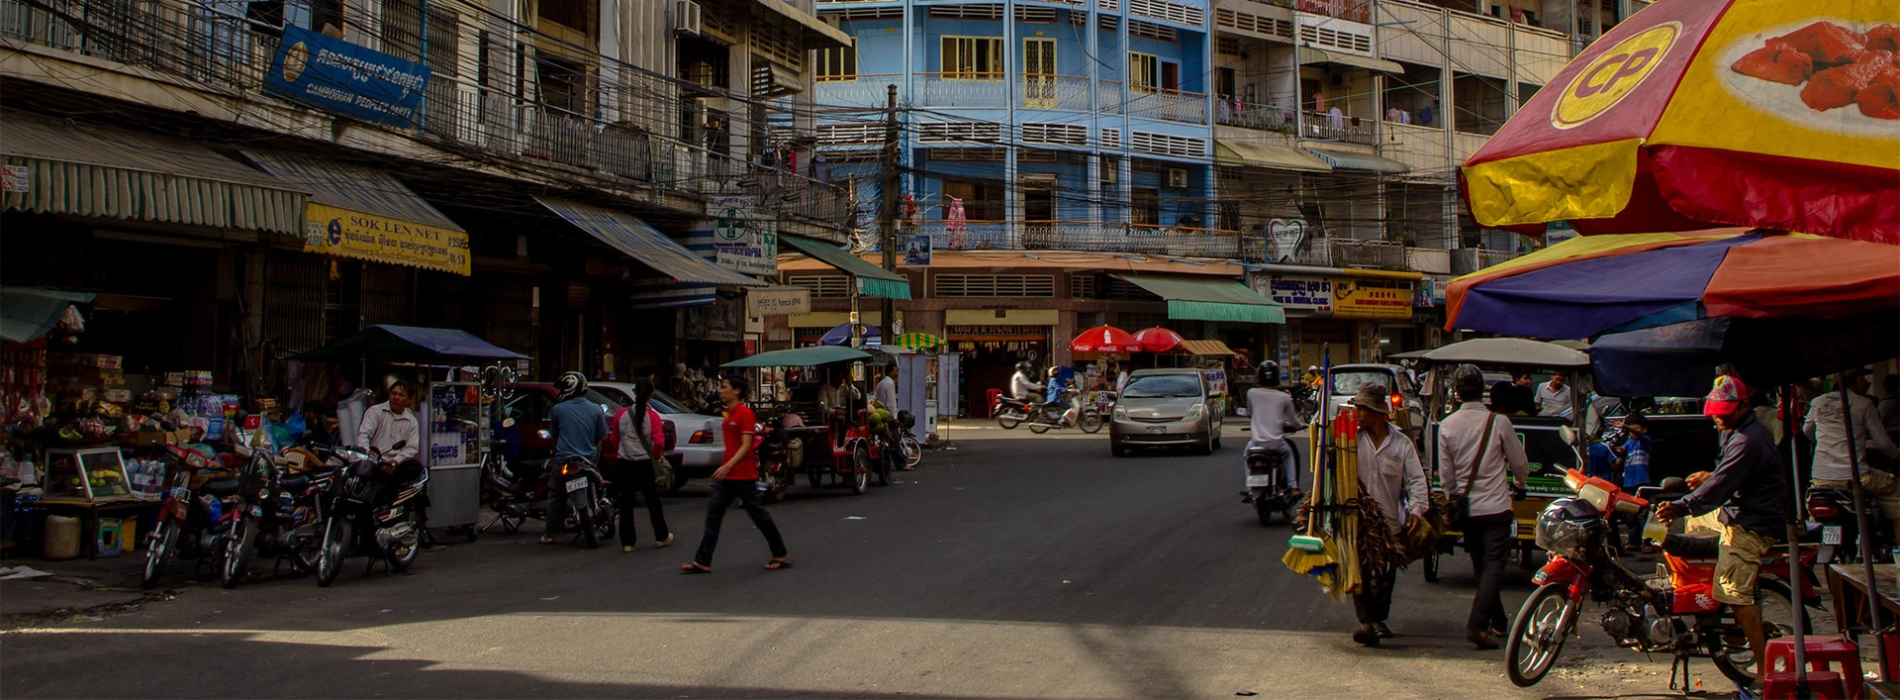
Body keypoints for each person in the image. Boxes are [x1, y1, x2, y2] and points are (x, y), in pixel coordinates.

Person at [1655, 375, 1789, 682]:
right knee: (1683, 528)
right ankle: (1692, 587)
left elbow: (1717, 490)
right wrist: (1710, 476)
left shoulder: (1747, 439)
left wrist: (1679, 504)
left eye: (1724, 412)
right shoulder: (1736, 430)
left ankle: (1764, 672)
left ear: (1743, 407)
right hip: (1735, 511)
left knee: (1734, 595)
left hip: (1752, 523)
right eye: (1715, 411)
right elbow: (1727, 476)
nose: (1717, 417)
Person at [1438, 364, 1528, 649]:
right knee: (1493, 568)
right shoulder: (1499, 422)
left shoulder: (1446, 425)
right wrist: (1521, 485)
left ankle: (1498, 622)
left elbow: (1446, 476)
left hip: (1467, 510)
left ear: (1455, 392)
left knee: (1482, 567)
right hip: (1496, 508)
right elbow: (1519, 462)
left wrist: (1452, 501)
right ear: (1483, 392)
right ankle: (1477, 625)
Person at [682, 377, 790, 574]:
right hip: (727, 476)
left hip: (743, 475)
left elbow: (746, 445)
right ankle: (702, 560)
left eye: (725, 387)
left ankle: (780, 553)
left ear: (737, 391)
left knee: (758, 515)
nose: (721, 391)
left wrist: (728, 465)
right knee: (713, 515)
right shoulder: (729, 414)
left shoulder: (744, 414)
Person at [1349, 382, 1429, 646]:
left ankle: (1377, 618)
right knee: (1359, 574)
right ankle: (1367, 623)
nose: (1358, 413)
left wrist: (1417, 509)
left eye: (1362, 409)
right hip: (1357, 521)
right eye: (1357, 408)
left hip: (1389, 521)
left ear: (1377, 412)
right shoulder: (1349, 441)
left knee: (1384, 577)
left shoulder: (1401, 443)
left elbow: (1416, 480)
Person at [1806, 368, 1900, 543]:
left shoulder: (1817, 403)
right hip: (1856, 476)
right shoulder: (1863, 404)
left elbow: (1808, 432)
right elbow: (1884, 443)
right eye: (1863, 378)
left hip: (1821, 478)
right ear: (1850, 381)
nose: (1866, 383)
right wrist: (1896, 455)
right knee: (1895, 490)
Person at [543, 372, 610, 545]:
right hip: (588, 461)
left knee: (555, 494)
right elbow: (603, 437)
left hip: (564, 461)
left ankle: (549, 534)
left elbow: (554, 437)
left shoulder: (558, 409)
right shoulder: (595, 409)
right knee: (599, 484)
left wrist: (553, 452)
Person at [611, 377, 673, 553]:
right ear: (651, 395)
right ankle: (661, 536)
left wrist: (620, 453)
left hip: (624, 462)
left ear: (635, 392)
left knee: (626, 503)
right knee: (652, 501)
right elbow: (659, 442)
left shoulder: (621, 414)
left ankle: (628, 542)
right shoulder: (652, 417)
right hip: (644, 463)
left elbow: (614, 439)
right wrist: (656, 456)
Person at [1245, 360, 1307, 500]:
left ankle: (1250, 488)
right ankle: (1293, 487)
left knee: (1247, 454)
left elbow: (1250, 412)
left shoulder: (1251, 393)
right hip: (1276, 444)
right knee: (1289, 454)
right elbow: (1294, 421)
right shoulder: (1284, 397)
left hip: (1256, 443)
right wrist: (1299, 426)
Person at [356, 381, 422, 498]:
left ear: (409, 399)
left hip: (396, 465)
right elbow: (363, 435)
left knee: (415, 468)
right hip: (374, 462)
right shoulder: (375, 412)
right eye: (393, 393)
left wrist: (396, 461)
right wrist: (368, 454)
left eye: (401, 395)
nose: (396, 398)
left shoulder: (412, 421)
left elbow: (411, 448)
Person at [1616, 413, 1653, 553]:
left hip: (1642, 481)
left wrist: (1625, 426)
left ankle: (1647, 542)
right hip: (1628, 482)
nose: (1632, 432)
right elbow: (1620, 455)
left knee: (1644, 513)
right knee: (1630, 514)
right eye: (1630, 430)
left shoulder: (1645, 441)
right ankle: (1634, 542)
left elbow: (1638, 434)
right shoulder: (1628, 443)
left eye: (1635, 429)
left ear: (1644, 430)